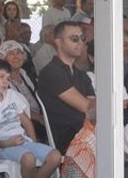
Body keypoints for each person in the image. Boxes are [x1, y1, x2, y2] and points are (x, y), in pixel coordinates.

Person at [37, 21, 94, 153]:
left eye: (82, 39)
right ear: (58, 42)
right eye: (74, 39)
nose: (80, 43)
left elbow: (93, 105)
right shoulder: (51, 71)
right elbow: (87, 106)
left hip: (86, 131)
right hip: (66, 136)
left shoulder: (81, 74)